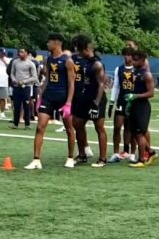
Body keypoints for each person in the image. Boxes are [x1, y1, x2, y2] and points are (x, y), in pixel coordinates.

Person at [26, 33, 77, 170]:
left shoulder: (68, 61)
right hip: (48, 97)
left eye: (49, 42)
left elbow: (72, 83)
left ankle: (70, 157)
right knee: (40, 127)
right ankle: (36, 160)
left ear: (56, 43)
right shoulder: (48, 59)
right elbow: (47, 79)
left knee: (69, 129)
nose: (47, 45)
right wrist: (40, 95)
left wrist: (69, 103)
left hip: (63, 97)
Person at [70, 35, 109, 167]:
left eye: (80, 50)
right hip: (83, 98)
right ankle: (82, 155)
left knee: (99, 127)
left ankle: (103, 158)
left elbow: (101, 85)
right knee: (77, 123)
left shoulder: (96, 64)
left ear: (86, 48)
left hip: (96, 99)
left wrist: (96, 104)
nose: (78, 53)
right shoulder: (80, 61)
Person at [124, 49, 157, 167]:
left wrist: (135, 96)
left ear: (143, 60)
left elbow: (151, 93)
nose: (133, 62)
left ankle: (142, 159)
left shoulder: (146, 74)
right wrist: (129, 103)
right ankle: (151, 152)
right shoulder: (135, 73)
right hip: (135, 105)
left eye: (136, 60)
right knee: (135, 133)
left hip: (142, 107)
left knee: (139, 134)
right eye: (133, 59)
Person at [110, 48, 137, 161]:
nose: (127, 57)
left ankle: (131, 153)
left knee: (131, 127)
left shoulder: (137, 69)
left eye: (129, 55)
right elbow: (116, 86)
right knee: (117, 126)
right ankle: (116, 153)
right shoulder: (119, 69)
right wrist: (112, 101)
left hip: (133, 100)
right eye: (125, 55)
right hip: (121, 100)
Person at [9, 48, 38, 130]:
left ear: (27, 53)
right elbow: (12, 73)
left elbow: (34, 77)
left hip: (26, 88)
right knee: (16, 106)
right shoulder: (15, 62)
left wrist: (24, 81)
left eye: (22, 52)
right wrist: (14, 80)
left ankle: (27, 124)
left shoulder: (30, 64)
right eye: (19, 52)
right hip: (16, 87)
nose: (20, 53)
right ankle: (15, 124)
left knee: (27, 106)